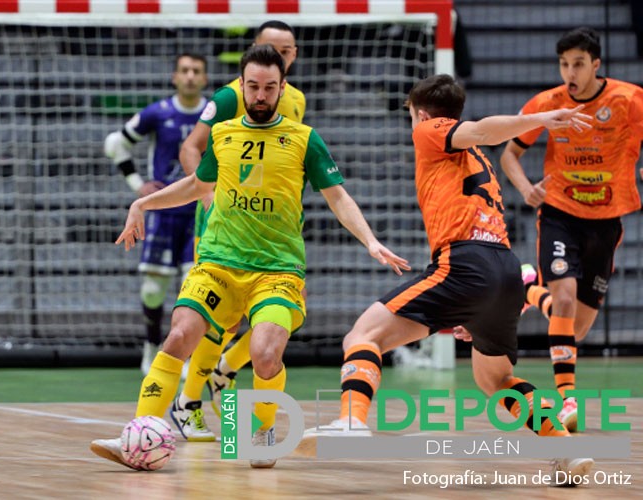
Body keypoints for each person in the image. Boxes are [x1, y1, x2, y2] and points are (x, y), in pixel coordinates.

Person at [91, 44, 409, 470]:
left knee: (263, 353)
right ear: (241, 85)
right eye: (254, 86)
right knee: (180, 335)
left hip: (276, 270)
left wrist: (370, 240)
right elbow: (196, 186)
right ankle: (139, 432)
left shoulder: (304, 139)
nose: (261, 95)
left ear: (282, 89)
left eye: (270, 88)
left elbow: (338, 197)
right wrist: (141, 205)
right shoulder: (222, 135)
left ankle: (262, 430)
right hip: (219, 263)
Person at [298, 74, 595, 485]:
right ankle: (562, 447)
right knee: (495, 380)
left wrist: (541, 117)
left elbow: (483, 128)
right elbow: (476, 141)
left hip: (466, 262)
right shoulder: (476, 157)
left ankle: (351, 422)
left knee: (362, 336)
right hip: (505, 269)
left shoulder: (429, 131)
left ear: (421, 115)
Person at [500, 27, 643, 432]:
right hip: (561, 214)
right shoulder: (548, 103)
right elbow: (510, 151)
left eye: (578, 63)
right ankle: (567, 401)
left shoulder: (628, 99)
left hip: (607, 221)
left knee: (574, 328)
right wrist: (527, 189)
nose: (570, 72)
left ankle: (529, 289)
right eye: (564, 64)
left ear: (596, 65)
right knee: (562, 302)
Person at [172, 20, 306, 441]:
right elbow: (192, 147)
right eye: (269, 49)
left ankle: (224, 372)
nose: (277, 56)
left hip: (274, 231)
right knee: (218, 319)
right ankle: (187, 402)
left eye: (284, 51)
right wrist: (209, 196)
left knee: (279, 316)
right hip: (224, 223)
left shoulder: (295, 99)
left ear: (293, 56)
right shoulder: (233, 94)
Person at [104, 53, 209, 376]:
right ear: (175, 77)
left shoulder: (214, 114)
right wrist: (137, 185)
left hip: (201, 214)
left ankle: (190, 357)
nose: (190, 76)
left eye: (197, 71)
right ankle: (151, 347)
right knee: (153, 290)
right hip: (164, 212)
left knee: (196, 290)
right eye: (185, 71)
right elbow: (114, 143)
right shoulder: (158, 112)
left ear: (204, 79)